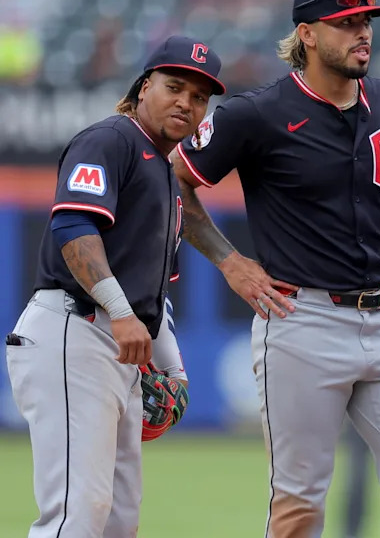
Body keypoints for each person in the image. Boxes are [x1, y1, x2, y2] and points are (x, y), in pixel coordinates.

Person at [170, 0, 380, 538]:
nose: (362, 32)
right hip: (302, 322)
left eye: (366, 21)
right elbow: (176, 183)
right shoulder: (258, 113)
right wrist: (228, 260)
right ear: (308, 35)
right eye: (346, 23)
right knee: (298, 505)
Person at [4, 35, 223, 536]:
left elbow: (155, 291)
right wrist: (121, 312)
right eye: (174, 86)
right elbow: (73, 228)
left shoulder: (165, 174)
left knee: (117, 520)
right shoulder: (111, 139)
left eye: (199, 97)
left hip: (118, 346)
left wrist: (176, 371)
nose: (185, 103)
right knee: (77, 514)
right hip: (73, 330)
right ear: (144, 87)